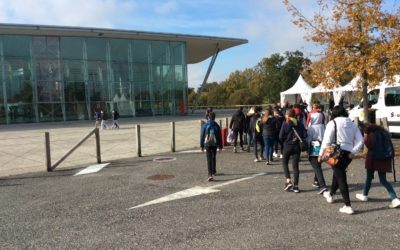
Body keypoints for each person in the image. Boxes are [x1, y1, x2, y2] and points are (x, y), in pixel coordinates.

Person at [319, 106, 364, 215]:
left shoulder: (332, 123)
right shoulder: (352, 124)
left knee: (341, 177)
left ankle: (347, 205)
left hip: (335, 152)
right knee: (338, 173)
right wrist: (353, 151)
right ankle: (332, 194)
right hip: (348, 153)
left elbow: (327, 140)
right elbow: (361, 140)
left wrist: (321, 154)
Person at [355, 124, 400, 208]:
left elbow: (368, 144)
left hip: (373, 159)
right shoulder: (384, 132)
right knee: (383, 180)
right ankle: (394, 199)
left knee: (369, 177)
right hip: (384, 159)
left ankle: (365, 195)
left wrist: (365, 136)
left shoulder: (370, 134)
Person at [279, 108, 306, 193]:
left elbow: (280, 136)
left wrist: (285, 140)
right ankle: (296, 186)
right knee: (295, 166)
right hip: (296, 146)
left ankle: (288, 180)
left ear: (287, 115)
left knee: (285, 162)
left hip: (287, 145)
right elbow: (305, 134)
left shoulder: (285, 123)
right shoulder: (299, 123)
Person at [306, 101, 328, 194]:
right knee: (318, 162)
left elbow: (307, 124)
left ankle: (320, 182)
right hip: (322, 140)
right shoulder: (323, 118)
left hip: (314, 142)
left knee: (315, 162)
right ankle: (316, 180)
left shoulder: (311, 120)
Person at [200, 112, 222, 181]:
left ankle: (210, 174)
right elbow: (219, 136)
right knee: (213, 156)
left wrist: (201, 145)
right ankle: (214, 170)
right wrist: (220, 146)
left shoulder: (205, 125)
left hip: (207, 144)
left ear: (208, 117)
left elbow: (202, 135)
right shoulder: (216, 125)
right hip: (214, 143)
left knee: (208, 158)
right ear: (214, 118)